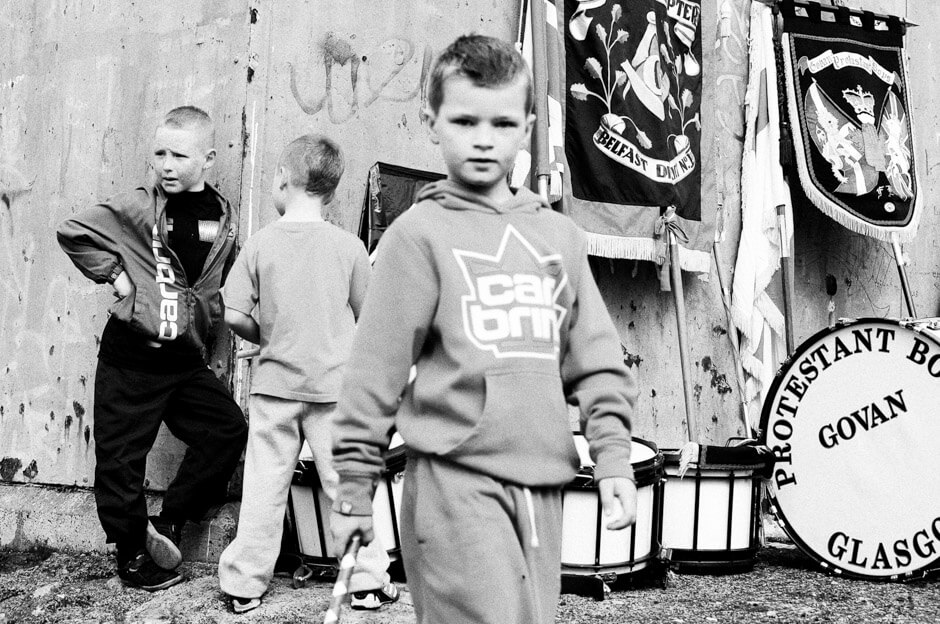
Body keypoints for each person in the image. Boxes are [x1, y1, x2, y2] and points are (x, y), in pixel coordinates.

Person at [329, 34, 639, 623]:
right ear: (432, 121)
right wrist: (353, 483)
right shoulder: (416, 237)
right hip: (453, 484)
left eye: (501, 123)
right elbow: (374, 372)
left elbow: (597, 359)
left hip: (543, 484)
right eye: (464, 120)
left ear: (526, 128)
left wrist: (614, 458)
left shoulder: (560, 239)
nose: (482, 138)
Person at [56, 106, 249, 591]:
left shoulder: (223, 217)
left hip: (184, 360)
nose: (165, 163)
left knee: (226, 429)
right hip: (132, 358)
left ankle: (169, 524)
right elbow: (73, 232)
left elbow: (215, 281)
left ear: (207, 159)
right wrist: (116, 275)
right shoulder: (140, 206)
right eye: (159, 152)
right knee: (122, 459)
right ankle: (131, 554)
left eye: (178, 155)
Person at [216, 134, 398, 614]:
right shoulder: (349, 247)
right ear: (331, 192)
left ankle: (244, 585)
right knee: (345, 484)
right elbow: (371, 319)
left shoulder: (260, 245)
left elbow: (232, 313)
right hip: (335, 391)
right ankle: (365, 580)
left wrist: (269, 335)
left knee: (263, 487)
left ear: (281, 179)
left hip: (275, 388)